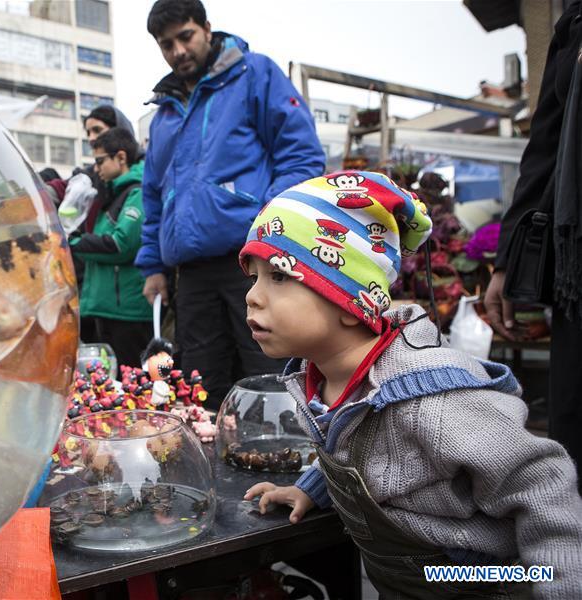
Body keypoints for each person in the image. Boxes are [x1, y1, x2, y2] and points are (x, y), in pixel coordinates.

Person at [238, 172, 582, 598]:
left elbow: (541, 479)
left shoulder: (432, 401)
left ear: (350, 303)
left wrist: (561, 586)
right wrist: (312, 488)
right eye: (253, 277)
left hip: (477, 581)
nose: (252, 296)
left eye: (279, 277)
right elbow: (363, 452)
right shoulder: (324, 380)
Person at [136, 0, 325, 407]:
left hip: (252, 260)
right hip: (191, 274)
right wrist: (153, 266)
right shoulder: (164, 113)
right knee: (201, 380)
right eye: (166, 44)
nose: (178, 51)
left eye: (185, 36)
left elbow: (301, 156)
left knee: (269, 371)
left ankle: (285, 464)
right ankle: (212, 460)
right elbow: (152, 195)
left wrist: (266, 223)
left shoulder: (255, 74)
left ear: (206, 27)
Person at [484, 1, 582, 490]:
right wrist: (506, 264)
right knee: (573, 436)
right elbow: (543, 151)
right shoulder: (574, 28)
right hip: (577, 273)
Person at [69, 128, 151, 368]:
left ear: (122, 158)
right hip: (108, 308)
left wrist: (73, 242)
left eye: (100, 161)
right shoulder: (112, 196)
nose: (96, 169)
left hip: (127, 311)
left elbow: (120, 244)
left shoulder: (136, 192)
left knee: (133, 386)